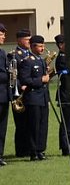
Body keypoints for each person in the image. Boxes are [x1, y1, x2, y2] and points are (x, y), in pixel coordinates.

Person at [18, 35, 51, 160]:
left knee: (43, 125)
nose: (42, 48)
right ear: (32, 46)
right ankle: (33, 151)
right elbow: (25, 79)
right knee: (34, 125)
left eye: (43, 46)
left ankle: (40, 149)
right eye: (40, 46)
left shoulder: (41, 61)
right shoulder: (27, 61)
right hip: (33, 97)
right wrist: (40, 80)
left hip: (42, 97)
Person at [53, 34, 70, 156]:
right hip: (66, 95)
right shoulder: (61, 58)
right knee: (67, 123)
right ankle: (65, 147)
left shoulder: (69, 57)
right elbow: (68, 74)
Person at [12, 29, 32, 157]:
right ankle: (20, 150)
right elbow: (13, 74)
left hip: (30, 93)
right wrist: (20, 86)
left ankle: (29, 148)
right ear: (19, 40)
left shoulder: (30, 53)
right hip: (19, 94)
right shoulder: (14, 55)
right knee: (21, 124)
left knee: (30, 122)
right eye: (27, 39)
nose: (29, 42)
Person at [0, 23, 9, 166]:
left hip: (3, 95)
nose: (3, 36)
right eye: (1, 34)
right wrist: (10, 75)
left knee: (2, 127)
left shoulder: (2, 52)